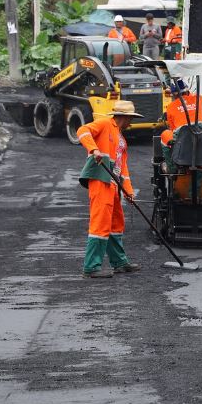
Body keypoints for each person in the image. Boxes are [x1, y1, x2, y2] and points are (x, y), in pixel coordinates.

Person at [76, 101, 145, 278]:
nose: (131, 123)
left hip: (113, 183)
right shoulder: (105, 124)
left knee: (116, 223)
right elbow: (82, 130)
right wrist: (93, 150)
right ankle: (91, 267)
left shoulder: (121, 137)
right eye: (131, 119)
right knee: (101, 222)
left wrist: (128, 191)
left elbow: (123, 167)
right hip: (101, 180)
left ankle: (119, 262)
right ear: (124, 116)